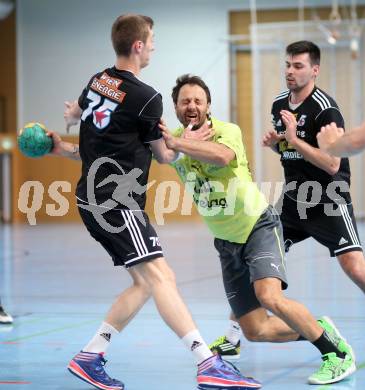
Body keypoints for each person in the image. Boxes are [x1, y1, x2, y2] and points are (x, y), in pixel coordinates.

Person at [47, 13, 261, 390]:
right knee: (163, 277)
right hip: (116, 201)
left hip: (92, 196)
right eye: (153, 40)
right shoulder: (147, 98)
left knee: (146, 283)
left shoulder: (99, 80)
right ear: (139, 46)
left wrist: (70, 117)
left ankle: (90, 355)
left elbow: (83, 115)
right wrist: (193, 139)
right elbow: (164, 156)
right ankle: (206, 362)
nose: (155, 47)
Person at [158, 74, 356, 385]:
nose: (192, 106)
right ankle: (320, 330)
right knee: (255, 330)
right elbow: (158, 153)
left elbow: (223, 157)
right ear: (176, 107)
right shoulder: (176, 143)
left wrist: (178, 142)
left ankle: (337, 355)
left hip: (257, 226)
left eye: (198, 100)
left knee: (269, 297)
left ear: (208, 105)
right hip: (225, 241)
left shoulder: (226, 131)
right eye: (185, 101)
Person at [215, 40, 365, 366]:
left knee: (355, 268)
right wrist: (278, 144)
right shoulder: (280, 104)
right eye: (287, 65)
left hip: (328, 199)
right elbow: (291, 152)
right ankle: (232, 337)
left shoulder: (325, 109)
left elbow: (332, 163)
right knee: (251, 256)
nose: (290, 71)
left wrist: (294, 139)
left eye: (298, 66)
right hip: (294, 201)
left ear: (315, 69)